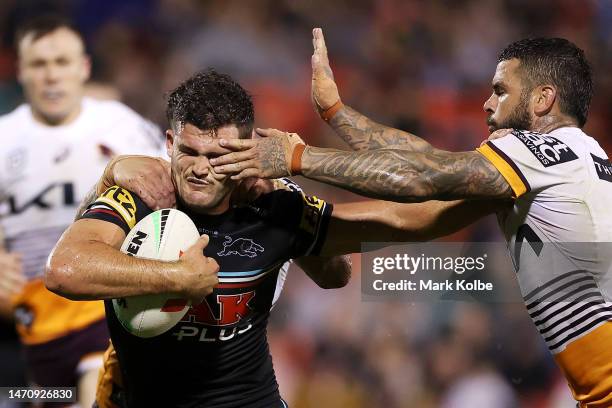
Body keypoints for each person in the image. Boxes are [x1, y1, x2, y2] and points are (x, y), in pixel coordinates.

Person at [45, 69, 499, 407]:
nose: (201, 169)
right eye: (189, 152)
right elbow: (64, 269)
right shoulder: (143, 194)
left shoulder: (275, 205)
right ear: (168, 143)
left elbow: (409, 222)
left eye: (219, 155)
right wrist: (174, 278)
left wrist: (507, 185)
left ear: (249, 147)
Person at [210, 28, 612, 407]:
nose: (487, 103)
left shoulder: (542, 154)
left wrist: (297, 158)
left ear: (542, 100)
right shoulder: (569, 159)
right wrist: (335, 112)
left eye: (501, 91)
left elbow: (420, 179)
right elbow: (421, 188)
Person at [0, 15, 164, 407]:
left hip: (104, 307)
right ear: (21, 70)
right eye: (39, 64)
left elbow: (172, 202)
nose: (51, 76)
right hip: (31, 322)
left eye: (62, 63)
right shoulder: (4, 140)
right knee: (40, 398)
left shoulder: (124, 129)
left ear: (83, 67)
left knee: (96, 392)